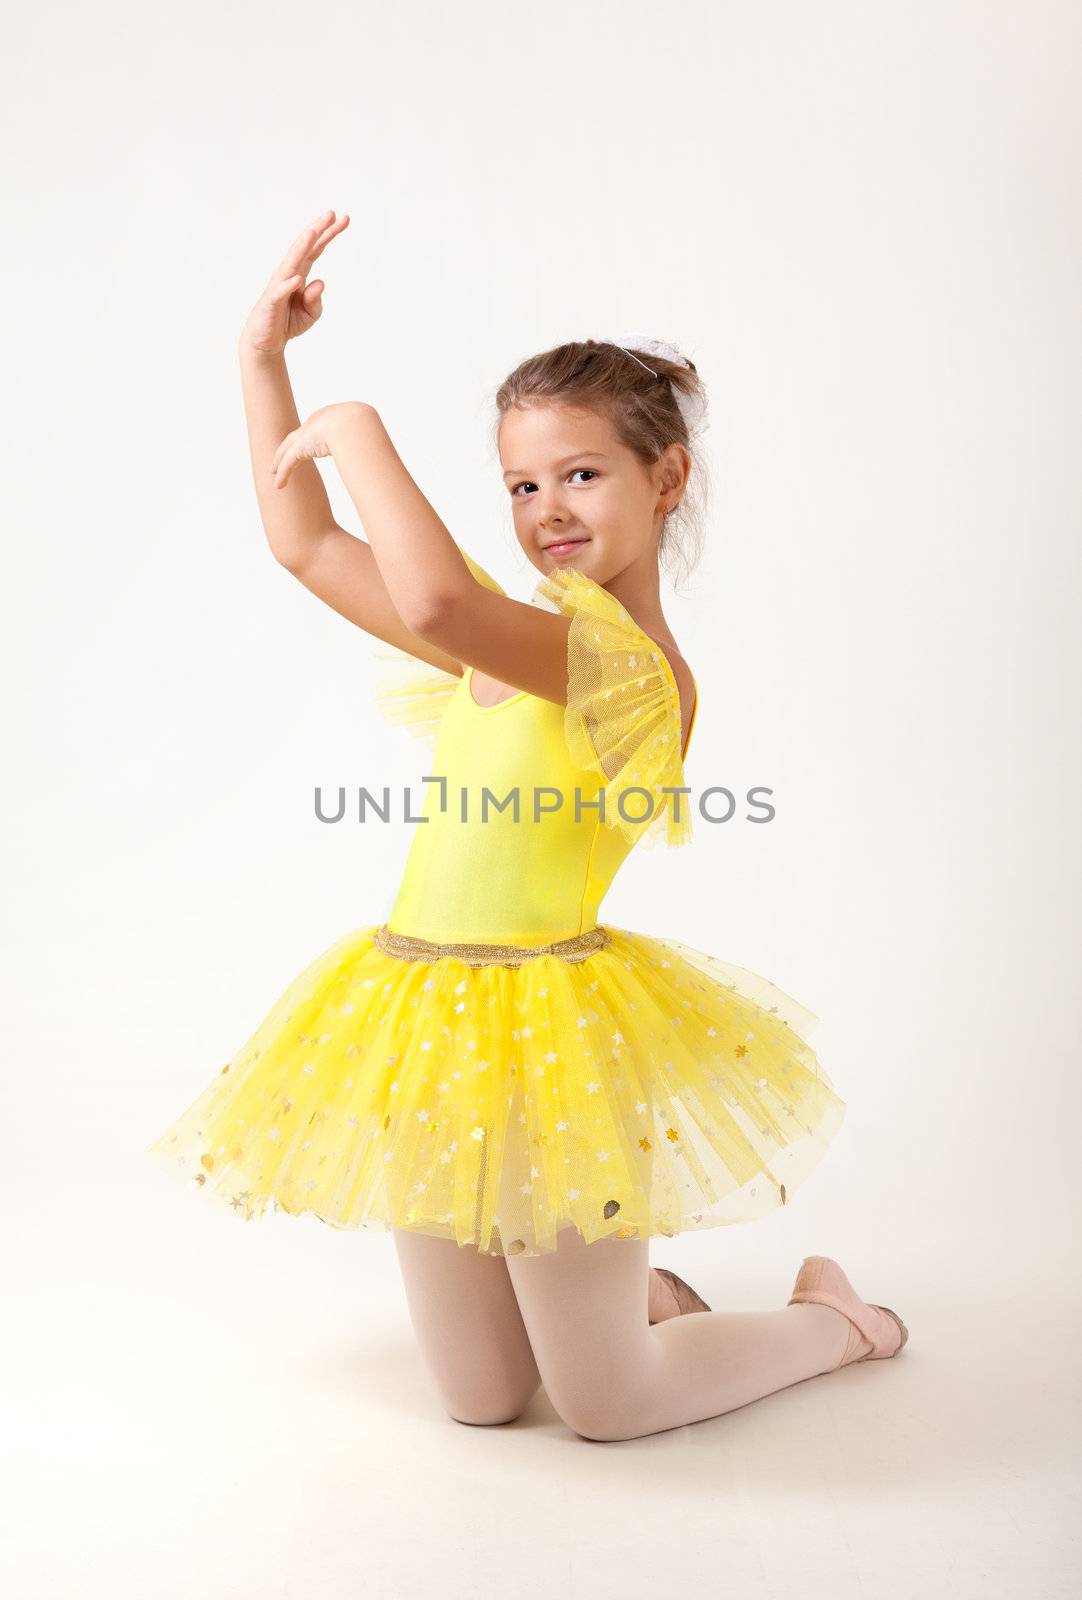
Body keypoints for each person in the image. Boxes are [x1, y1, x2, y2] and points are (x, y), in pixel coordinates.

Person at [148, 209, 907, 1442]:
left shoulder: (630, 670)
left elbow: (436, 596)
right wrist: (262, 360)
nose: (545, 506)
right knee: (484, 1400)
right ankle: (638, 1295)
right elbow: (303, 545)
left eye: (580, 473)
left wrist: (353, 429)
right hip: (420, 1018)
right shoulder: (516, 642)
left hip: (550, 1038)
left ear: (667, 480)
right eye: (518, 482)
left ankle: (835, 1320)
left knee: (606, 1408)